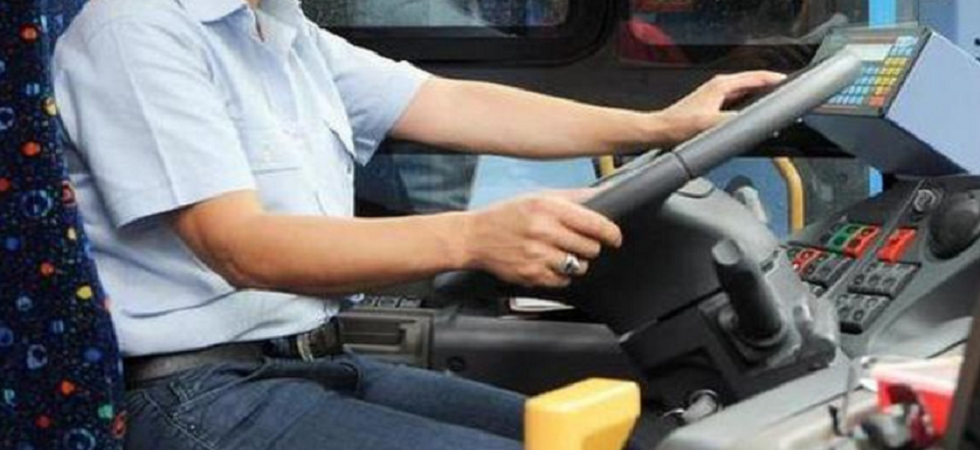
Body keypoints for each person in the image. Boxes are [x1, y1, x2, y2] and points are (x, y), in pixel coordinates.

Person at [52, 0, 784, 448]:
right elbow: (239, 245)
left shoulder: (281, 32)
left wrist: (658, 126)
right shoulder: (134, 31)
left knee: (618, 442)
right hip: (199, 397)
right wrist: (475, 237)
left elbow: (450, 103)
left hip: (310, 364)